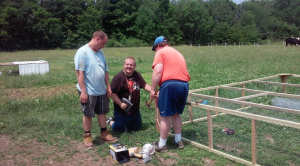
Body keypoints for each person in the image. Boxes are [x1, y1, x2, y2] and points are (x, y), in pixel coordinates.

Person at [74, 30, 118, 149]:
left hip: (101, 89)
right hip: (88, 90)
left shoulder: (100, 52)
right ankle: (87, 136)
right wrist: (83, 91)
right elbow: (79, 74)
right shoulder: (82, 52)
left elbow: (105, 70)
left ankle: (104, 133)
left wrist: (108, 86)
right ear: (97, 38)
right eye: (103, 43)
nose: (104, 46)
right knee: (88, 114)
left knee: (102, 112)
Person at [150, 36, 190, 152]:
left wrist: (153, 90)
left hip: (170, 85)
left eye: (155, 49)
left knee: (165, 116)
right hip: (184, 85)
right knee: (176, 114)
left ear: (157, 46)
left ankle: (161, 145)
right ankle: (178, 140)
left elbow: (158, 71)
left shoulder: (161, 52)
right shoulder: (177, 53)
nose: (155, 51)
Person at [107, 57, 151, 132]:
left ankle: (124, 121)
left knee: (136, 129)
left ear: (135, 66)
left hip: (135, 111)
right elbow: (112, 93)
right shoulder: (118, 77)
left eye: (131, 65)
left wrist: (153, 91)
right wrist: (120, 103)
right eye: (127, 64)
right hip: (122, 111)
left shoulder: (137, 74)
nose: (129, 66)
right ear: (124, 65)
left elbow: (144, 85)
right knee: (120, 130)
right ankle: (110, 121)